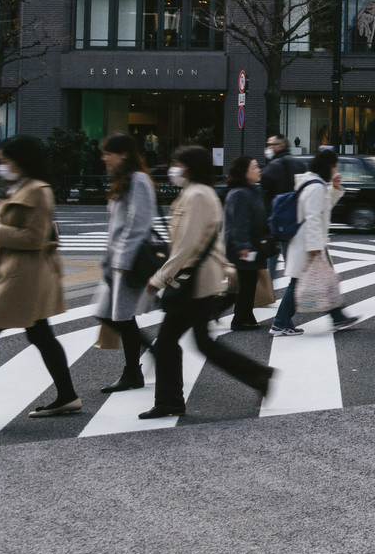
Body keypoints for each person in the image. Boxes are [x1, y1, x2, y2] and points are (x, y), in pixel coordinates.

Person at [140, 146, 272, 419]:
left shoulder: (198, 195)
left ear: (190, 167)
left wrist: (159, 278)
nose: (174, 168)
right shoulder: (197, 193)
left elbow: (187, 245)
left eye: (178, 163)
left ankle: (171, 400)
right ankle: (259, 376)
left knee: (169, 343)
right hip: (198, 281)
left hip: (195, 283)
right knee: (197, 343)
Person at [0, 135, 80, 418]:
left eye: (6, 160)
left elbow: (33, 238)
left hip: (22, 276)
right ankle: (67, 396)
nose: (1, 165)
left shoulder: (37, 190)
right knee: (41, 334)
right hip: (16, 273)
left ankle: (68, 395)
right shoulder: (20, 187)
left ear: (21, 160)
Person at [270, 149, 359, 336]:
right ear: (329, 166)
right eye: (335, 166)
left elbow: (321, 209)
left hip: (306, 242)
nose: (337, 169)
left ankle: (338, 316)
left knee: (319, 281)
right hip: (308, 244)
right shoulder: (316, 187)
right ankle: (280, 323)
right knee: (300, 283)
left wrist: (334, 189)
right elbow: (313, 218)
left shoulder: (311, 183)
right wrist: (314, 249)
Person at [95, 133, 156, 391]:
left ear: (124, 154)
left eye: (109, 153)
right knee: (109, 315)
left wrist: (123, 259)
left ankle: (134, 371)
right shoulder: (124, 180)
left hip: (126, 261)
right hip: (116, 261)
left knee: (120, 316)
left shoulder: (138, 180)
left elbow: (139, 222)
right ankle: (150, 357)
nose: (104, 158)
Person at [223, 155, 270, 331]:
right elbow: (240, 223)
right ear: (244, 172)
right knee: (245, 283)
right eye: (255, 167)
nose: (259, 170)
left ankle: (245, 316)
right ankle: (239, 318)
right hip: (244, 246)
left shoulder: (252, 189)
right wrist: (243, 246)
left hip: (252, 243)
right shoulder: (239, 193)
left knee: (248, 282)